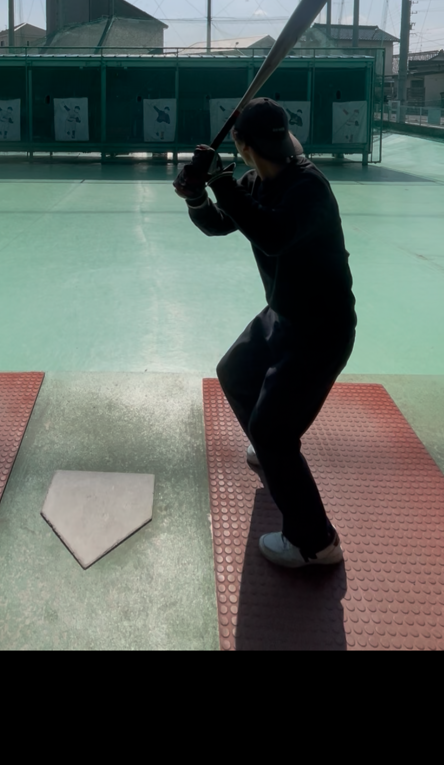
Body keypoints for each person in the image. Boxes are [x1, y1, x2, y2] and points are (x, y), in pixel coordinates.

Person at [173, 98, 356, 569]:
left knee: (274, 433)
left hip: (321, 330)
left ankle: (316, 544)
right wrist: (198, 197)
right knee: (235, 374)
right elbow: (221, 222)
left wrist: (218, 180)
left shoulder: (308, 187)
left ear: (242, 145)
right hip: (284, 314)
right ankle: (269, 446)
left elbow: (271, 234)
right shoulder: (258, 180)